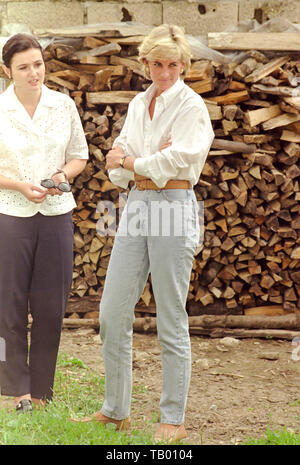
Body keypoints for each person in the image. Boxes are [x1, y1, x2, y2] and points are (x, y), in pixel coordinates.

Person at [78, 24, 214, 442]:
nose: (166, 72)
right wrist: (142, 161)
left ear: (184, 65)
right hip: (136, 205)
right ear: (146, 64)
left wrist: (137, 161)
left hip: (174, 206)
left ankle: (172, 418)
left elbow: (183, 158)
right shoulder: (139, 103)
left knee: (171, 316)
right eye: (158, 64)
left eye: (174, 64)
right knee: (112, 311)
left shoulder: (192, 107)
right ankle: (116, 410)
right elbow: (117, 162)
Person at [0, 33, 88, 413]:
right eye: (24, 67)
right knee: (9, 305)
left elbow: (79, 156)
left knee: (51, 307)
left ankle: (41, 391)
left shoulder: (63, 105)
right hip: (10, 213)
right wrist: (20, 184)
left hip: (55, 213)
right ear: (7, 71)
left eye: (38, 63)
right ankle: (17, 390)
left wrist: (59, 176)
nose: (34, 72)